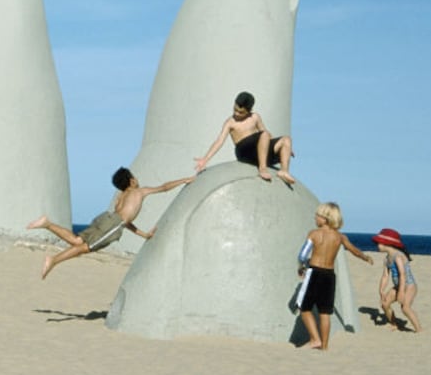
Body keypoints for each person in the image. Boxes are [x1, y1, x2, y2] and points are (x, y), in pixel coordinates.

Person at [27, 167, 193, 280]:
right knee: (84, 248)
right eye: (134, 177)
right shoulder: (139, 192)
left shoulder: (120, 198)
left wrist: (144, 235)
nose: (137, 179)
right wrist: (184, 180)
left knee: (77, 241)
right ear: (131, 181)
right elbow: (164, 187)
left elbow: (124, 222)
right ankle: (53, 260)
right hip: (113, 224)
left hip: (106, 218)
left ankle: (47, 224)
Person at [294, 202, 372, 350]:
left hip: (314, 273)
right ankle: (325, 346)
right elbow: (354, 250)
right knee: (325, 312)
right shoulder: (340, 237)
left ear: (325, 218)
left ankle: (315, 339)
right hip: (329, 276)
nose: (315, 218)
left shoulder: (314, 234)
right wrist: (365, 257)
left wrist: (301, 267)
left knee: (304, 308)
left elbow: (302, 255)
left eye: (317, 215)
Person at [194, 91, 296, 184]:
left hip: (258, 152)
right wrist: (205, 159)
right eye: (235, 110)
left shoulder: (255, 117)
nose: (236, 114)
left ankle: (284, 171)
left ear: (249, 110)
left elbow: (267, 134)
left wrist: (283, 147)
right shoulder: (230, 122)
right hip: (244, 151)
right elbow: (219, 141)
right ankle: (263, 168)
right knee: (263, 135)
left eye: (241, 112)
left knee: (286, 139)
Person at [373, 227, 422, 332]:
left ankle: (419, 329)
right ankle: (394, 323)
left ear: (387, 243)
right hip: (398, 286)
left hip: (409, 286)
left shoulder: (398, 256)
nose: (377, 245)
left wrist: (401, 292)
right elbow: (385, 276)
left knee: (405, 308)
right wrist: (381, 290)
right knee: (385, 304)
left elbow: (402, 274)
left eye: (379, 243)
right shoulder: (387, 259)